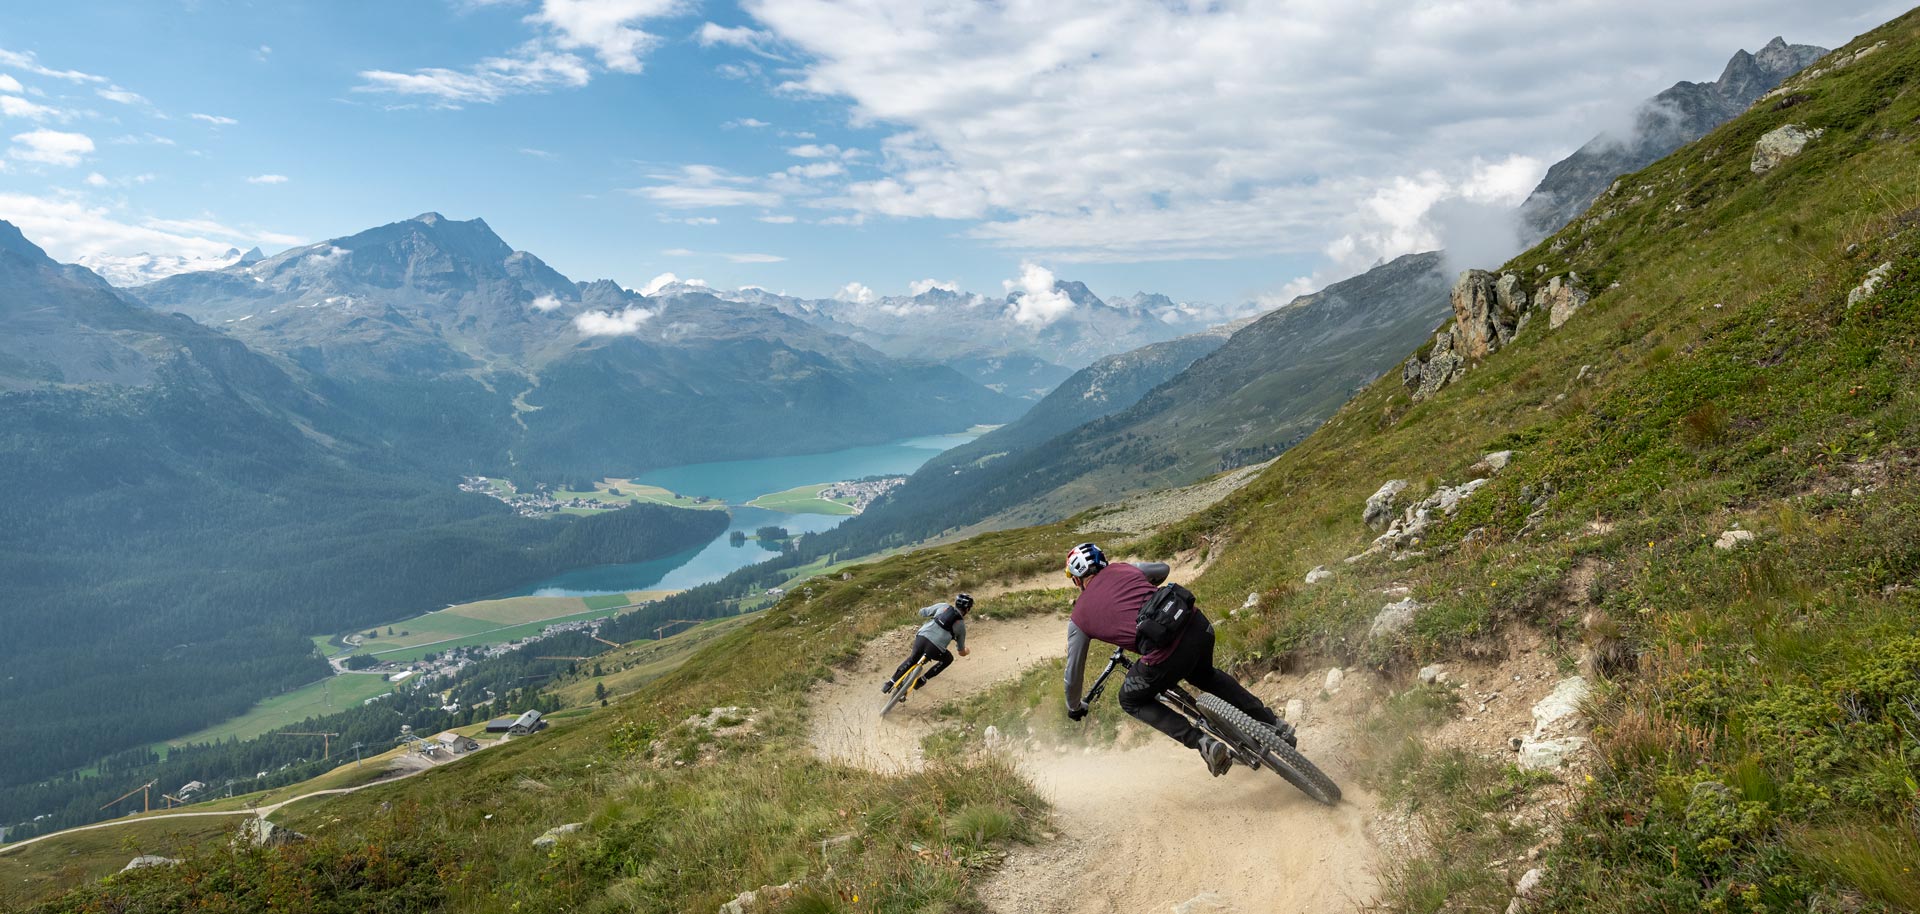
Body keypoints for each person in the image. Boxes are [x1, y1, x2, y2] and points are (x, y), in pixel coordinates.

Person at [1060, 542, 1294, 776]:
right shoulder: (1125, 569)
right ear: (1102, 561)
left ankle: (1203, 743)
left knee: (1130, 700)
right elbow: (1162, 569)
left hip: (1164, 656)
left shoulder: (1079, 617)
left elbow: (1073, 675)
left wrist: (1074, 707)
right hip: (1198, 626)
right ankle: (1273, 724)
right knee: (1206, 675)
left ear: (1078, 579)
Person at [883, 592, 973, 694]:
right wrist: (967, 651)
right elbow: (961, 651)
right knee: (948, 659)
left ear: (955, 603)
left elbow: (922, 612)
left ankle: (890, 683)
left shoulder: (943, 606)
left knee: (912, 659)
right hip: (935, 649)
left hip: (921, 637)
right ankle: (922, 680)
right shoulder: (961, 626)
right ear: (967, 610)